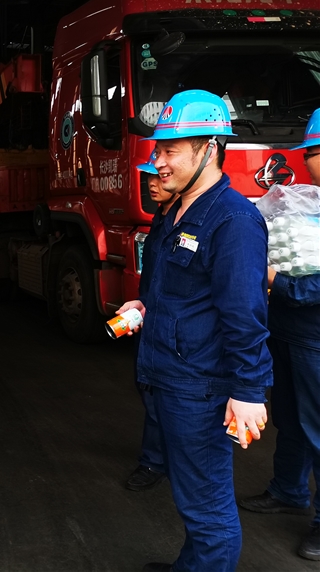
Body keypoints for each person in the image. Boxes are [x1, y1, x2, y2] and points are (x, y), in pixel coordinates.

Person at [115, 90, 273, 572]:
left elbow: (245, 314)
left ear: (209, 148)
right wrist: (144, 304)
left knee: (208, 508)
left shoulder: (233, 220)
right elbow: (178, 289)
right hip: (168, 376)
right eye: (157, 149)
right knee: (191, 497)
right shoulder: (175, 211)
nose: (158, 162)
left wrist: (248, 391)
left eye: (170, 150)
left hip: (200, 388)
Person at [238, 108, 320, 561]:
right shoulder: (307, 204)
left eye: (313, 152)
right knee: (289, 418)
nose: (308, 162)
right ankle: (288, 489)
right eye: (308, 153)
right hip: (287, 328)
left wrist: (277, 281)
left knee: (318, 426)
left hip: (315, 334)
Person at [124, 152, 177, 492]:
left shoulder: (186, 221)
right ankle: (159, 459)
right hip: (151, 318)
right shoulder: (160, 218)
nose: (151, 184)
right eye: (148, 177)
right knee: (148, 388)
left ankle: (156, 462)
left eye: (158, 177)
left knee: (162, 395)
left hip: (172, 327)